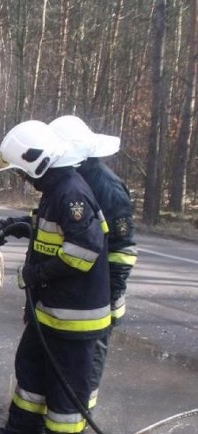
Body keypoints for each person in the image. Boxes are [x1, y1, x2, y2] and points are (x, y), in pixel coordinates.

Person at [0, 120, 111, 434]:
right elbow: (50, 235)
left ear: (40, 162)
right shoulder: (56, 192)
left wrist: (38, 273)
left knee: (67, 379)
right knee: (31, 370)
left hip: (75, 313)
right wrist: (17, 226)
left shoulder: (71, 193)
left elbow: (85, 250)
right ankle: (22, 431)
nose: (24, 179)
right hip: (51, 309)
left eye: (24, 171)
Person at [49, 115, 138, 407]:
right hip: (76, 293)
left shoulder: (107, 187)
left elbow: (123, 249)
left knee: (86, 368)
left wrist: (108, 296)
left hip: (99, 300)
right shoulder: (71, 180)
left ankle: (77, 425)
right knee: (62, 364)